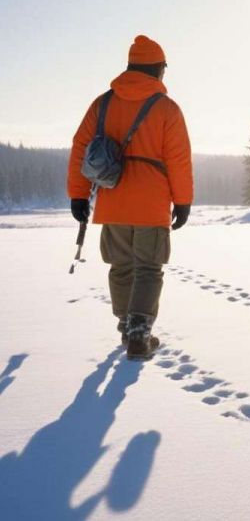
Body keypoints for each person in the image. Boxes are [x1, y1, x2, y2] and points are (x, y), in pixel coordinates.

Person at [67, 35, 193, 360]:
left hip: (113, 200)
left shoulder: (103, 104)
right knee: (149, 268)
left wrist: (78, 195)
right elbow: (178, 159)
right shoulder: (167, 109)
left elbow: (81, 148)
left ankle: (126, 326)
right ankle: (139, 334)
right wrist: (182, 201)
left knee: (121, 266)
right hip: (152, 204)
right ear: (157, 69)